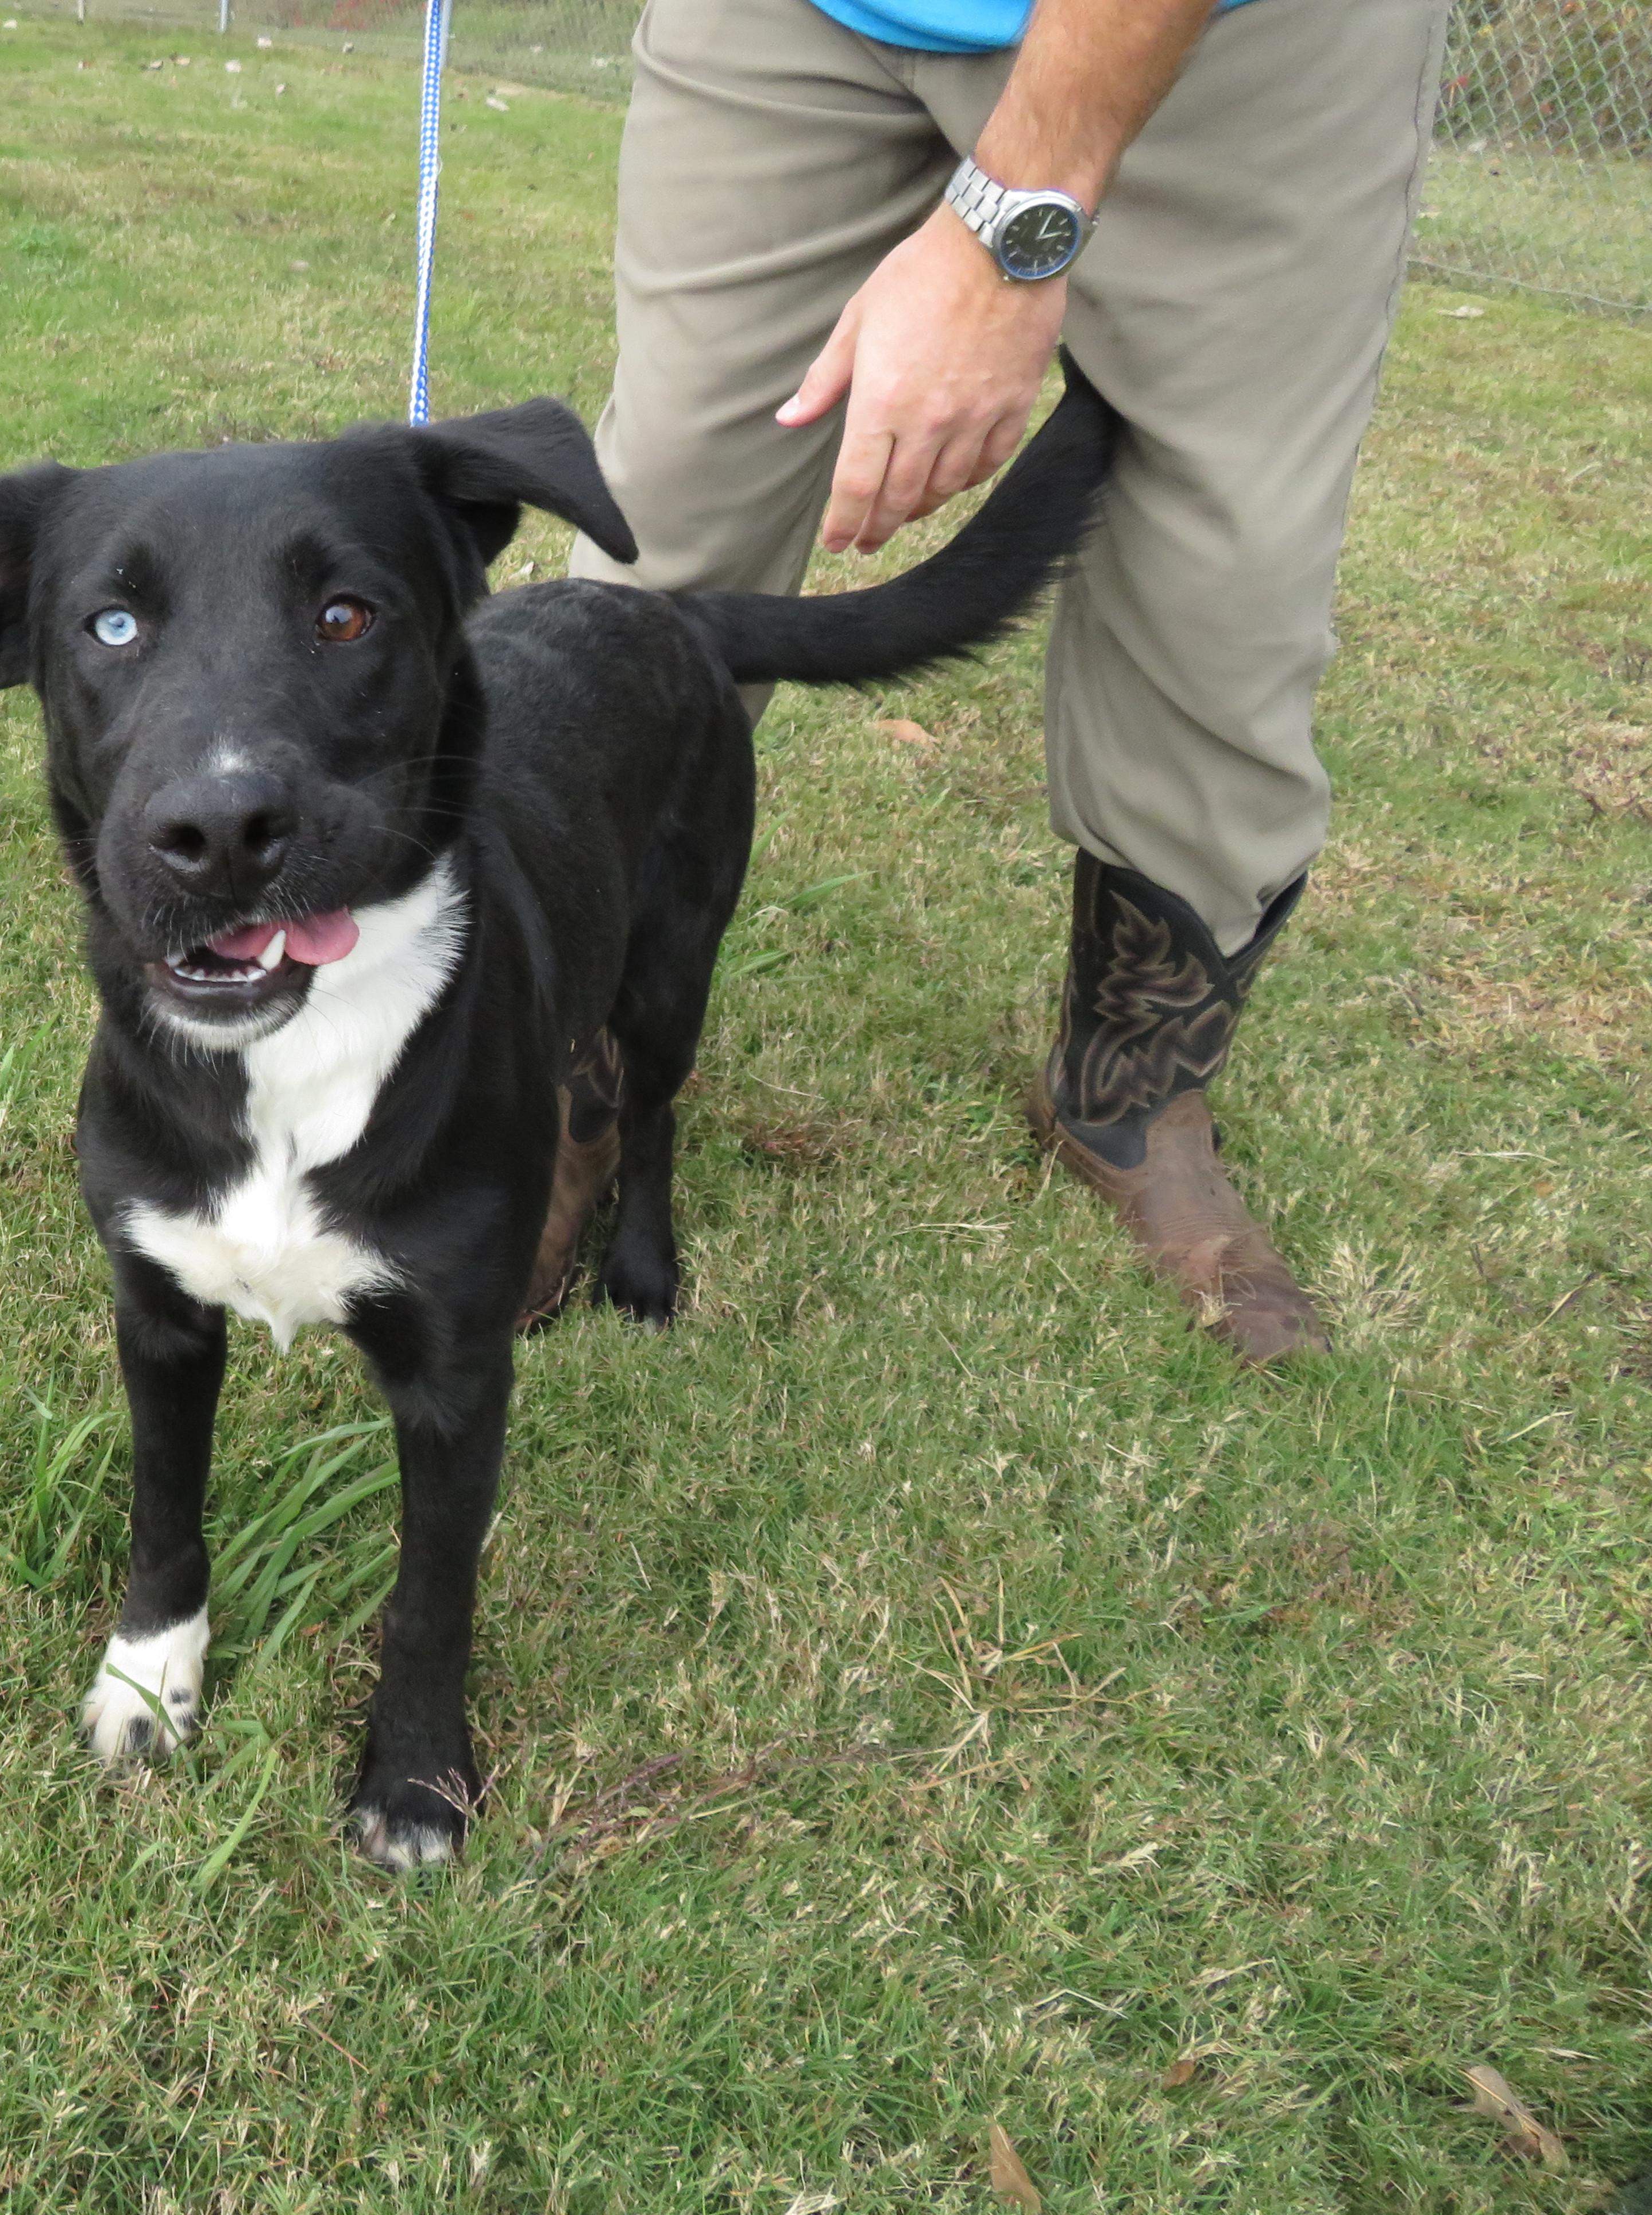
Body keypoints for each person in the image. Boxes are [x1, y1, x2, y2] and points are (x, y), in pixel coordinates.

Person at [569, 0, 1450, 1360]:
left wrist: (1011, 223)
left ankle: (1130, 1090)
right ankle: (573, 1078)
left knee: (1222, 587)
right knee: (665, 522)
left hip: (1245, 37)